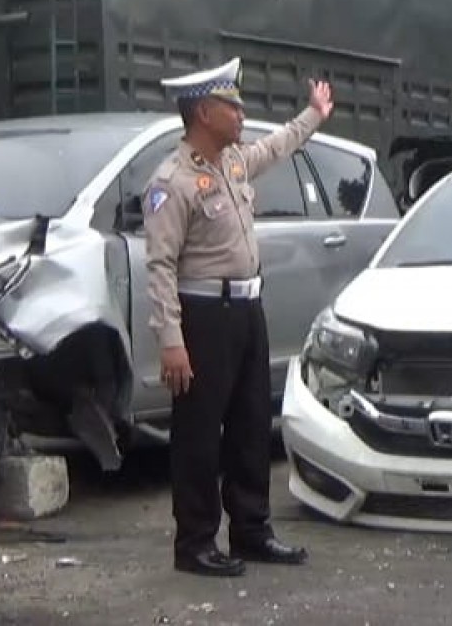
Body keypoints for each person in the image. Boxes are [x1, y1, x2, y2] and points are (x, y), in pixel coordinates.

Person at [142, 57, 333, 577]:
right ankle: (196, 543)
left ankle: (251, 530)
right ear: (204, 112)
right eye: (233, 106)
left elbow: (279, 146)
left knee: (251, 424)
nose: (242, 115)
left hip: (248, 309)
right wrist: (171, 340)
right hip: (203, 315)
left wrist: (314, 114)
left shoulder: (232, 164)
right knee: (201, 433)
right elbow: (159, 266)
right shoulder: (173, 182)